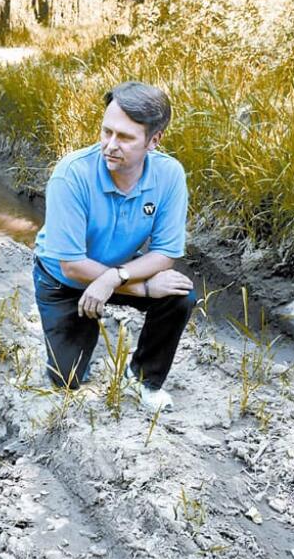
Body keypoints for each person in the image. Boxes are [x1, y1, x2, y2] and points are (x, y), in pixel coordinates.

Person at [32, 80, 196, 411]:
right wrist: (143, 288)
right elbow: (72, 265)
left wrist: (113, 279)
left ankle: (143, 380)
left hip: (116, 270)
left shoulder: (169, 176)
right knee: (68, 379)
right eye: (106, 132)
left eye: (125, 137)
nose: (110, 144)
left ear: (154, 141)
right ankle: (72, 336)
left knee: (179, 295)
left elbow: (166, 253)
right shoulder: (71, 175)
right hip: (64, 280)